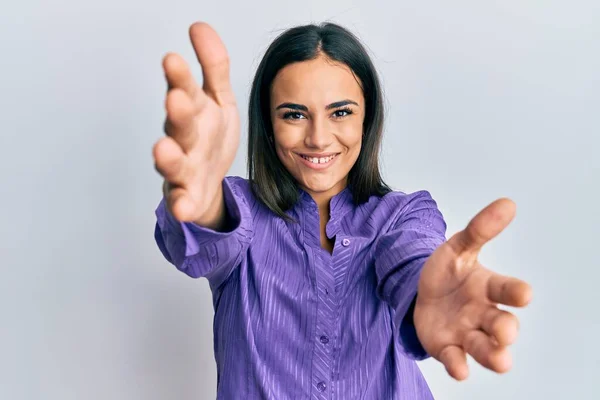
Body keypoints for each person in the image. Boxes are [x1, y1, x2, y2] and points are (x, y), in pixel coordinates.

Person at [152, 21, 533, 399]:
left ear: (367, 120)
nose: (318, 138)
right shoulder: (240, 210)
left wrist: (430, 292)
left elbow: (411, 258)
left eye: (341, 112)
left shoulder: (404, 215)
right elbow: (209, 232)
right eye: (294, 114)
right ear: (268, 125)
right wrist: (197, 203)